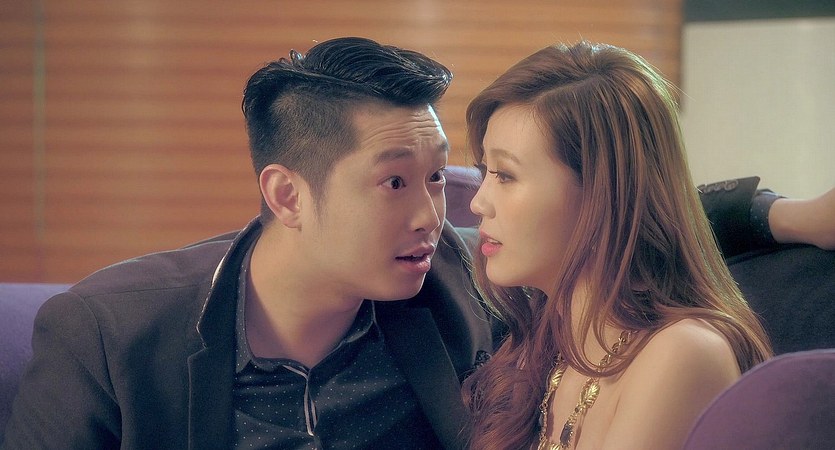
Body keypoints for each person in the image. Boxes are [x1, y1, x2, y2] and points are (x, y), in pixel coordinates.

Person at [0, 36, 823, 450]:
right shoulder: (110, 332)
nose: (437, 213)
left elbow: (615, 218)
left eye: (439, 177)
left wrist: (779, 215)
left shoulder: (455, 278)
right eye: (395, 183)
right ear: (287, 195)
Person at [461, 41, 773, 450]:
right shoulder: (547, 347)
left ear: (601, 193)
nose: (478, 202)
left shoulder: (681, 353)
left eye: (505, 175)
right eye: (484, 171)